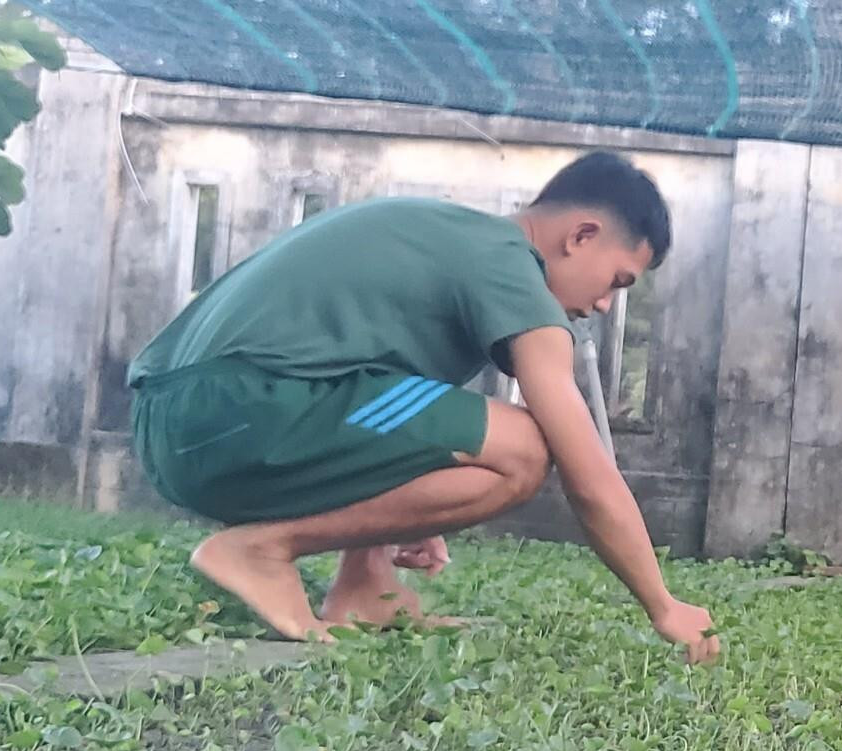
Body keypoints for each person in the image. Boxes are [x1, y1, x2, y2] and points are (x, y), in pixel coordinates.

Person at [129, 151, 719, 660]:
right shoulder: (508, 262)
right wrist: (662, 604)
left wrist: (415, 498)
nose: (606, 305)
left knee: (449, 422)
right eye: (618, 280)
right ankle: (259, 551)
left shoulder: (449, 238)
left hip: (183, 418)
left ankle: (366, 591)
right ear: (581, 235)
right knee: (526, 448)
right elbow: (586, 469)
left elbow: (377, 387)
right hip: (236, 408)